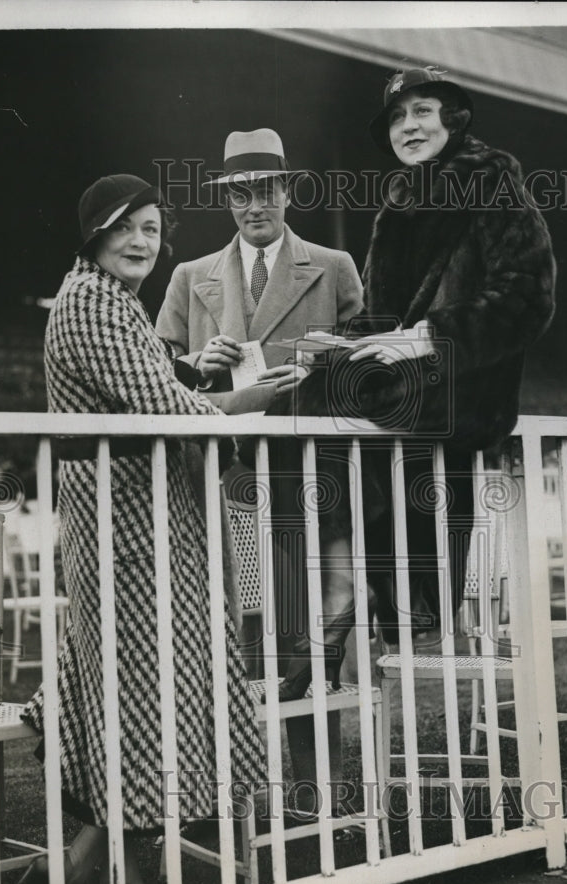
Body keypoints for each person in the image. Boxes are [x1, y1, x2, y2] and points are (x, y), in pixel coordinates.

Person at [12, 174, 266, 884]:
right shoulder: (90, 302)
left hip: (143, 516)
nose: (141, 243)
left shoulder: (110, 302)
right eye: (126, 227)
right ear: (94, 233)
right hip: (124, 522)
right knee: (139, 687)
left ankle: (94, 873)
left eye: (153, 230)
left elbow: (155, 388)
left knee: (149, 687)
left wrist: (196, 374)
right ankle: (87, 879)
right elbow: (158, 407)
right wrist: (252, 399)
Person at [266, 65, 557, 673]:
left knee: (340, 419)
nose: (408, 126)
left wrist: (426, 337)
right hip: (406, 379)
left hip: (464, 381)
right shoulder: (395, 208)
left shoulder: (495, 180)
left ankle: (395, 601)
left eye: (421, 111)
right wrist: (339, 345)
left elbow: (528, 297)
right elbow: (380, 321)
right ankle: (341, 586)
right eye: (398, 117)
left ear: (452, 119)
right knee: (287, 403)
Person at [155, 127, 364, 809]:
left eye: (265, 190)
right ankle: (239, 792)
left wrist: (332, 360)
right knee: (248, 629)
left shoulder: (332, 266)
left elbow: (375, 365)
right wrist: (197, 366)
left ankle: (317, 790)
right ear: (227, 200)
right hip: (229, 477)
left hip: (314, 471)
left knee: (320, 625)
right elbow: (156, 382)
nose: (254, 206)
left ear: (286, 191)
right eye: (240, 194)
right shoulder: (191, 278)